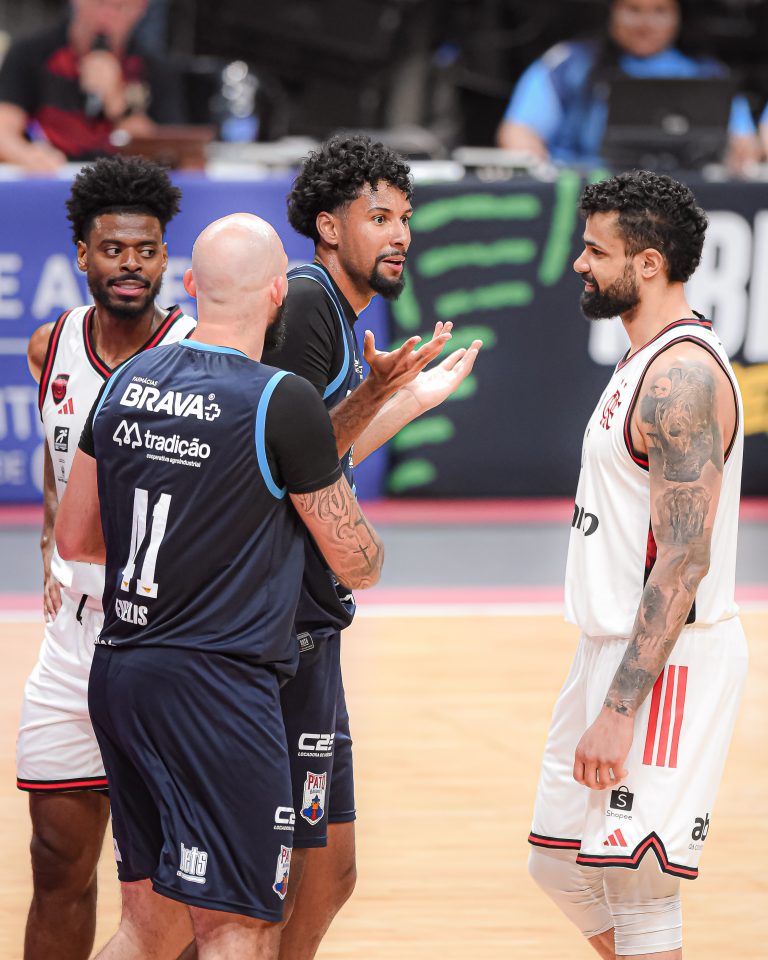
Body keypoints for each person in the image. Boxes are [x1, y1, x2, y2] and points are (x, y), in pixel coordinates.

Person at [54, 212, 385, 960]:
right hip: (219, 692)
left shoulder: (126, 380)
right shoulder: (279, 399)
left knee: (148, 928)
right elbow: (355, 563)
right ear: (277, 293)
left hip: (123, 673)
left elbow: (76, 539)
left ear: (191, 285)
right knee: (239, 927)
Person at [262, 135, 482, 960]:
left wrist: (407, 398)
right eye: (379, 217)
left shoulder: (336, 310)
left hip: (311, 626)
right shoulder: (310, 305)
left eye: (406, 219)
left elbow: (327, 444)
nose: (401, 235)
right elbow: (286, 464)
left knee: (329, 874)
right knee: (265, 887)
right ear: (329, 226)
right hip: (278, 630)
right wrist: (380, 393)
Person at [527, 170, 747, 959]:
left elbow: (684, 559)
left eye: (596, 250)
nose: (580, 264)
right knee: (556, 862)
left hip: (667, 662)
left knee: (641, 891)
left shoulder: (683, 377)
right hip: (607, 646)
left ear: (648, 263)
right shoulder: (643, 358)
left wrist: (621, 708)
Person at [17, 154, 196, 960]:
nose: (131, 264)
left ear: (166, 258)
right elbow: (56, 459)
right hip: (72, 638)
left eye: (146, 250)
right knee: (56, 858)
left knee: (173, 882)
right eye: (114, 249)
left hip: (167, 638)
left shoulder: (198, 353)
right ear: (83, 254)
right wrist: (48, 539)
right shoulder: (50, 345)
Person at [496, 0, 759, 172]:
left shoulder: (707, 73)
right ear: (612, 11)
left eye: (660, 12)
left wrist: (741, 155)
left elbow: (744, 143)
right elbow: (518, 132)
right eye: (633, 10)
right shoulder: (570, 64)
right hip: (587, 193)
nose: (646, 24)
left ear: (678, 16)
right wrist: (541, 171)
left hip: (686, 200)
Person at [0, 0, 184, 173]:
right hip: (54, 177)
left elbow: (168, 152)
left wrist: (117, 101)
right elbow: (4, 128)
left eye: (120, 7)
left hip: (122, 187)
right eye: (98, 3)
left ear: (141, 8)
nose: (106, 16)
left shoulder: (154, 68)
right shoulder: (31, 53)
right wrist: (25, 155)